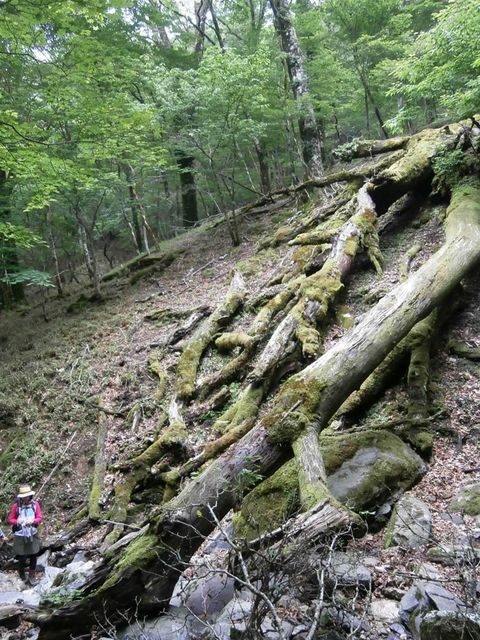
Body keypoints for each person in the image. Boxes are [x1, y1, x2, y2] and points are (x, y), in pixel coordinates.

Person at [8, 484, 42, 585]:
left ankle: (32, 576)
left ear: (30, 496)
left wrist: (33, 521)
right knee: (22, 555)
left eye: (27, 496)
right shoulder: (16, 506)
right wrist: (18, 521)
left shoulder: (35, 505)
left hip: (32, 532)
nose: (25, 498)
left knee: (33, 554)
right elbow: (11, 519)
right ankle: (22, 573)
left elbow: (39, 517)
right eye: (23, 497)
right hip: (20, 533)